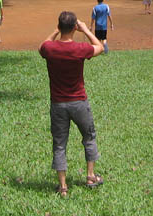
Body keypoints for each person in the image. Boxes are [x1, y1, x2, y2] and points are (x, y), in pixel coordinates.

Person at [39, 11, 105, 198]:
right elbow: (99, 47)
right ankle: (91, 176)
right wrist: (85, 29)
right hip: (78, 102)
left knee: (60, 144)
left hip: (58, 104)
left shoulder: (50, 49)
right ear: (75, 28)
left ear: (60, 27)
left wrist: (55, 32)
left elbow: (41, 46)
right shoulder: (80, 49)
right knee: (89, 137)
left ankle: (63, 186)